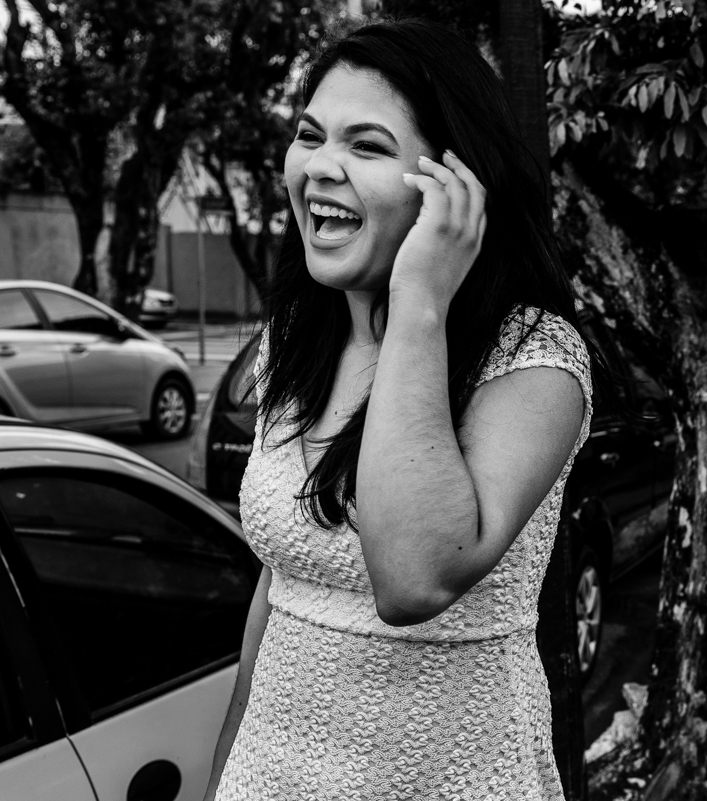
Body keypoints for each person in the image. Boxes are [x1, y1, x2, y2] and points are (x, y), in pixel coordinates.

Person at [204, 19, 595, 801]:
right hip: (273, 776)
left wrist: (420, 300)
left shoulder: (536, 358)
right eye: (311, 135)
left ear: (455, 186)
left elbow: (414, 579)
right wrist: (224, 775)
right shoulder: (294, 341)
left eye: (368, 146)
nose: (321, 168)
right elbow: (277, 590)